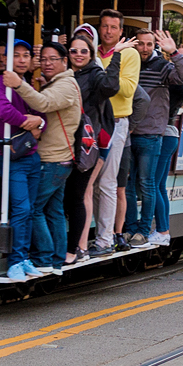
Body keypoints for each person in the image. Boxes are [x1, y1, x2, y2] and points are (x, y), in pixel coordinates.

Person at [4, 42, 80, 275]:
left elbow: (44, 103)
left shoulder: (66, 84)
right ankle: (56, 259)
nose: (47, 63)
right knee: (54, 210)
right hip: (59, 159)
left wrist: (19, 84)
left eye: (53, 59)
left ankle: (44, 257)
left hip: (52, 160)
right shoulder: (58, 82)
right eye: (43, 59)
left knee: (34, 209)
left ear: (64, 62)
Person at [123, 28, 183, 247]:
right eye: (140, 44)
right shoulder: (130, 63)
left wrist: (174, 54)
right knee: (128, 185)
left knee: (147, 183)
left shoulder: (163, 67)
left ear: (155, 46)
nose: (144, 48)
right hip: (128, 132)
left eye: (149, 44)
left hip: (151, 134)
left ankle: (144, 231)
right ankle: (130, 228)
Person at [0, 40, 45, 280]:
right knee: (21, 208)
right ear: (7, 60)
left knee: (29, 210)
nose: (22, 60)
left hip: (32, 156)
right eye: (17, 55)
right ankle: (15, 261)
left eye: (26, 55)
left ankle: (23, 258)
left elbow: (43, 112)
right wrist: (29, 121)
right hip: (11, 157)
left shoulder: (29, 85)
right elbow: (3, 111)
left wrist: (39, 121)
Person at [66, 33, 119, 263]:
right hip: (67, 141)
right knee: (73, 195)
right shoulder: (67, 74)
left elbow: (111, 87)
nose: (78, 55)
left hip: (87, 143)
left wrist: (115, 57)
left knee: (84, 192)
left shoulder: (96, 74)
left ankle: (80, 246)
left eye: (83, 51)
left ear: (92, 54)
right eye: (73, 51)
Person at [89, 10, 139, 256]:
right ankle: (99, 234)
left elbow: (128, 89)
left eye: (113, 27)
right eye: (104, 26)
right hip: (92, 125)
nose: (108, 31)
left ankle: (104, 241)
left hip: (116, 123)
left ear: (121, 31)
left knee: (107, 183)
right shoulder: (92, 51)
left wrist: (107, 72)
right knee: (93, 184)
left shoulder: (129, 53)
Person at [154, 41, 183, 242]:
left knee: (152, 184)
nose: (175, 61)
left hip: (165, 134)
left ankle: (162, 230)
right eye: (173, 56)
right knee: (159, 185)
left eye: (182, 59)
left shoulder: (181, 84)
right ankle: (163, 230)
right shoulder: (171, 76)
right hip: (167, 134)